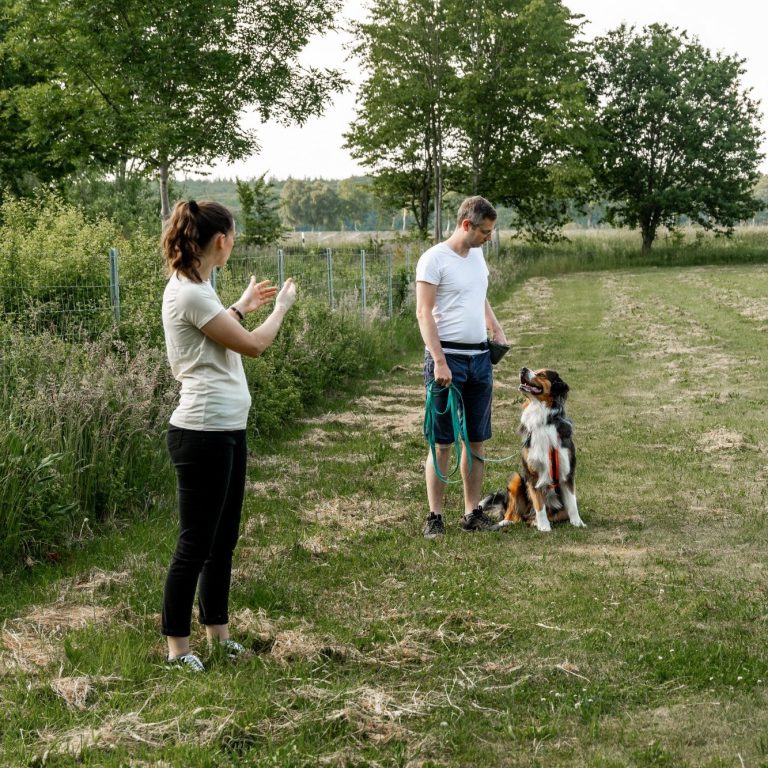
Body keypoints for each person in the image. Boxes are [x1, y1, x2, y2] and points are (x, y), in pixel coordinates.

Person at [160, 199, 297, 671]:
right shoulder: (191, 292)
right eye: (233, 236)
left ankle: (217, 634)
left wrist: (240, 304)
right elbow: (255, 346)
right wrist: (279, 309)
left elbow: (214, 333)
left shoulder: (198, 286)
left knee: (223, 539)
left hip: (225, 430)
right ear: (220, 241)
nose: (233, 243)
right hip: (202, 433)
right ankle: (178, 648)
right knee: (195, 543)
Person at [415, 195, 508, 538]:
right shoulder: (433, 260)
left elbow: (478, 294)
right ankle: (434, 516)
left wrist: (494, 327)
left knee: (476, 440)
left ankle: (472, 513)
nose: (489, 237)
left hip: (480, 359)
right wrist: (439, 360)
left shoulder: (478, 256)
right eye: (484, 231)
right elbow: (423, 313)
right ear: (466, 224)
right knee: (442, 442)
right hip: (447, 361)